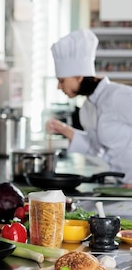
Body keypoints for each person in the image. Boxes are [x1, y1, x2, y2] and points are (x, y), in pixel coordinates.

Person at [46, 29, 132, 186]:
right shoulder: (87, 108)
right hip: (120, 183)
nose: (59, 87)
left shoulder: (118, 96)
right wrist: (65, 130)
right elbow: (96, 148)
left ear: (79, 76)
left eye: (62, 80)